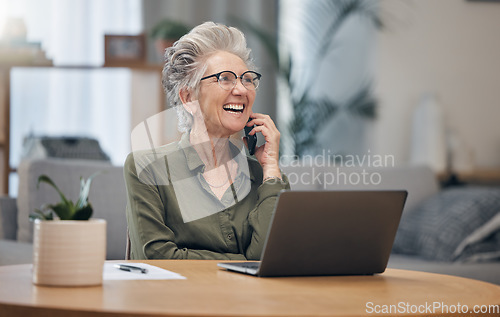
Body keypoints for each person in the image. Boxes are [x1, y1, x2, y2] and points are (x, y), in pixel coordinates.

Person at [124, 21, 290, 260]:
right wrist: (245, 262)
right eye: (225, 78)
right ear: (188, 97)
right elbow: (159, 259)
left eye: (247, 79)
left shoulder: (267, 179)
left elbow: (274, 260)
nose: (242, 89)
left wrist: (272, 167)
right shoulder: (148, 168)